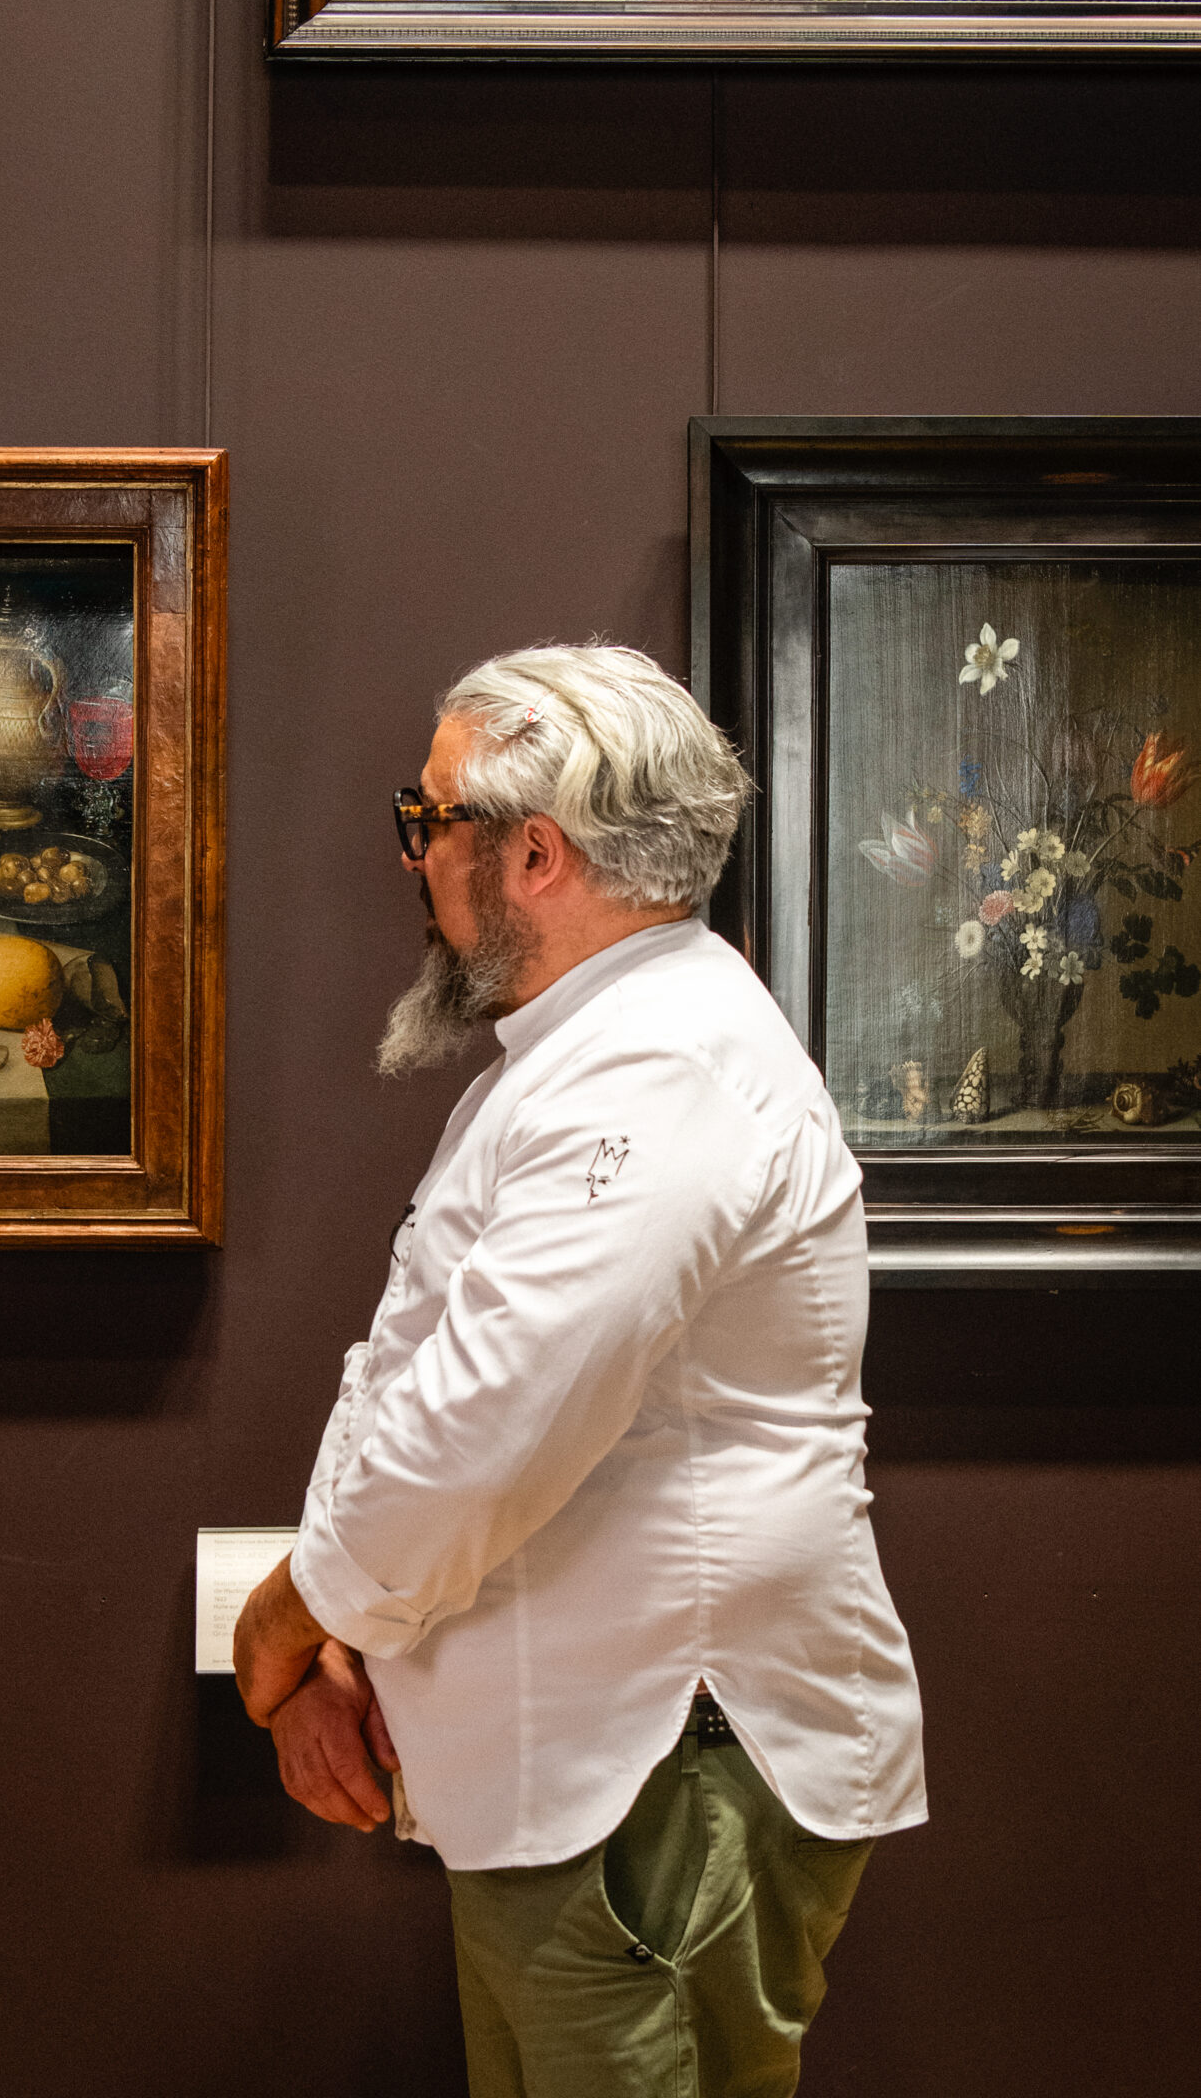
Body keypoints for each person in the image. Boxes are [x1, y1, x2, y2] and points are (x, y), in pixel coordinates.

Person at [233, 643, 924, 2098]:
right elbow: (430, 1376)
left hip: (656, 1770)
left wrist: (303, 1608)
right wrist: (349, 1618)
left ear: (531, 852)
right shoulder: (597, 1049)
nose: (411, 860)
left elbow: (491, 1418)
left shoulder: (654, 1065)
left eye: (426, 823)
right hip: (618, 1766)